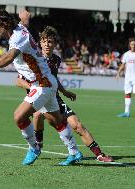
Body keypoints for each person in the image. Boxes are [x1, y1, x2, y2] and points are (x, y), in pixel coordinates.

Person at [0, 10, 63, 165]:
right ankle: (75, 151)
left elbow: (10, 56)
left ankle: (34, 147)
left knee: (19, 116)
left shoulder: (18, 37)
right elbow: (23, 21)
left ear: (4, 24)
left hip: (42, 84)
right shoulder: (19, 28)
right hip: (45, 81)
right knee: (58, 121)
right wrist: (25, 16)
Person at [17, 25, 113, 163]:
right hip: (38, 98)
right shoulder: (34, 59)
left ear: (55, 43)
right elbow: (18, 80)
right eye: (44, 41)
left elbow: (53, 79)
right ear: (40, 43)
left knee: (77, 125)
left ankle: (99, 154)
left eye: (50, 41)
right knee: (37, 115)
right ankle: (37, 147)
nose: (47, 44)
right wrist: (32, 87)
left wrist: (65, 92)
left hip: (54, 98)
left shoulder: (56, 59)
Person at [116, 37, 135, 118]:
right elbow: (123, 64)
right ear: (129, 45)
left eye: (134, 44)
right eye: (132, 44)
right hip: (128, 78)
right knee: (127, 93)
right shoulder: (126, 54)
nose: (133, 46)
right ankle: (127, 112)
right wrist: (118, 73)